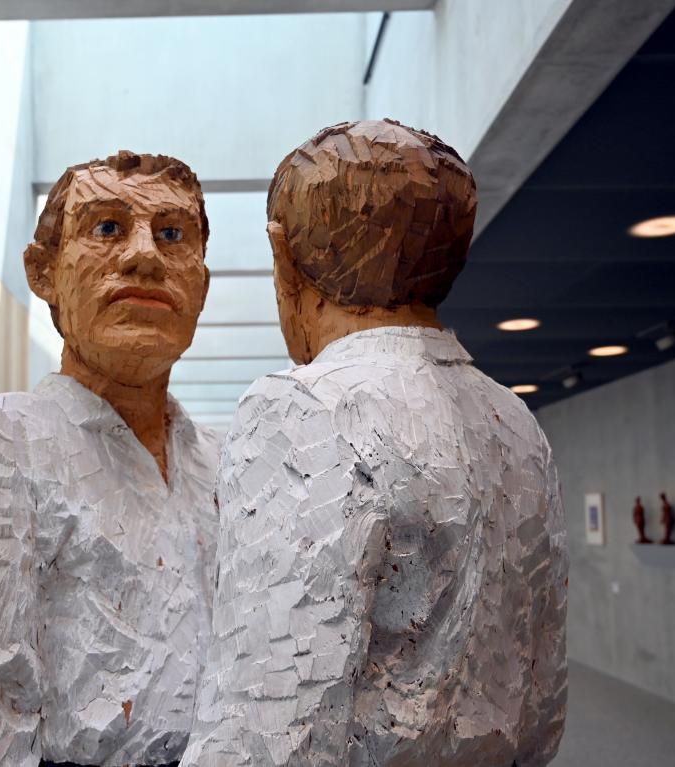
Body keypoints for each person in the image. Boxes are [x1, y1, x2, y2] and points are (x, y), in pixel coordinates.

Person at [182, 120, 568, 767]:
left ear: (284, 255)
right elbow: (544, 701)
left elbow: (265, 728)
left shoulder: (302, 409)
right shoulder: (515, 421)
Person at [0, 151, 219, 767]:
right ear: (44, 272)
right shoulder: (5, 438)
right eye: (107, 228)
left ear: (202, 284)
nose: (145, 256)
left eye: (172, 234)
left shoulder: (221, 460)